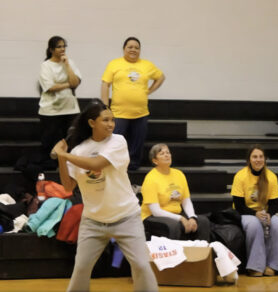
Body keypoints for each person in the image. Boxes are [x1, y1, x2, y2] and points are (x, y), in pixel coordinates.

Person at [52, 100, 158, 292]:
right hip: (93, 221)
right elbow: (68, 186)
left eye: (113, 120)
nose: (111, 124)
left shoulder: (118, 142)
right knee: (81, 268)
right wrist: (61, 156)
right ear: (92, 123)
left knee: (142, 266)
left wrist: (65, 155)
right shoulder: (78, 151)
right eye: (106, 120)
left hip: (126, 217)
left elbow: (96, 164)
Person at [101, 37, 165, 170]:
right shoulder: (114, 64)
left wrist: (148, 91)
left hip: (140, 112)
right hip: (119, 113)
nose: (133, 50)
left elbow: (160, 77)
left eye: (136, 47)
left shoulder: (147, 65)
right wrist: (105, 107)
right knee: (115, 142)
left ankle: (133, 166)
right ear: (124, 49)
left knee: (137, 142)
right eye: (130, 47)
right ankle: (114, 166)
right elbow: (105, 84)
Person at [231, 145, 278, 277]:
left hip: (264, 212)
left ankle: (273, 266)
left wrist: (269, 214)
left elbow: (274, 203)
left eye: (261, 157)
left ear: (265, 159)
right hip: (245, 213)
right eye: (255, 157)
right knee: (254, 224)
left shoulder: (271, 177)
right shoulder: (241, 176)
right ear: (249, 159)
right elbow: (238, 205)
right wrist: (254, 214)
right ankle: (255, 267)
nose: (258, 160)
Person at [140, 143, 210, 241]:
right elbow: (156, 211)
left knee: (203, 222)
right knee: (174, 226)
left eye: (168, 152)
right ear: (155, 161)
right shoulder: (150, 179)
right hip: (152, 217)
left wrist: (192, 217)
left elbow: (186, 201)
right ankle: (176, 256)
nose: (166, 155)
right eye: (162, 153)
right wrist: (180, 218)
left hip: (175, 214)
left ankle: (201, 254)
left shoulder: (179, 174)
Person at [39, 35, 81, 157]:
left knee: (69, 139)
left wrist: (67, 65)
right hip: (51, 110)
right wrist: (68, 84)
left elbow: (75, 82)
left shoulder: (70, 63)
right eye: (59, 47)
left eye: (64, 46)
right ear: (51, 50)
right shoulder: (46, 65)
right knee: (50, 141)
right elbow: (50, 87)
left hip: (70, 108)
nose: (62, 49)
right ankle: (50, 166)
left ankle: (66, 163)